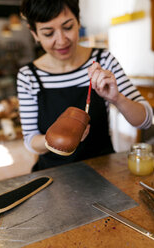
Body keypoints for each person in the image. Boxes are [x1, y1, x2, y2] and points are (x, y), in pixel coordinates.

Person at [17, 0, 153, 171]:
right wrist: (61, 138)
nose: (61, 40)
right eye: (48, 33)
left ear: (78, 22)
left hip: (102, 169)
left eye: (67, 27)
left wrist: (117, 99)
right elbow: (31, 141)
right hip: (54, 173)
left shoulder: (103, 61)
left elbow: (146, 120)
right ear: (34, 33)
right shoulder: (28, 76)